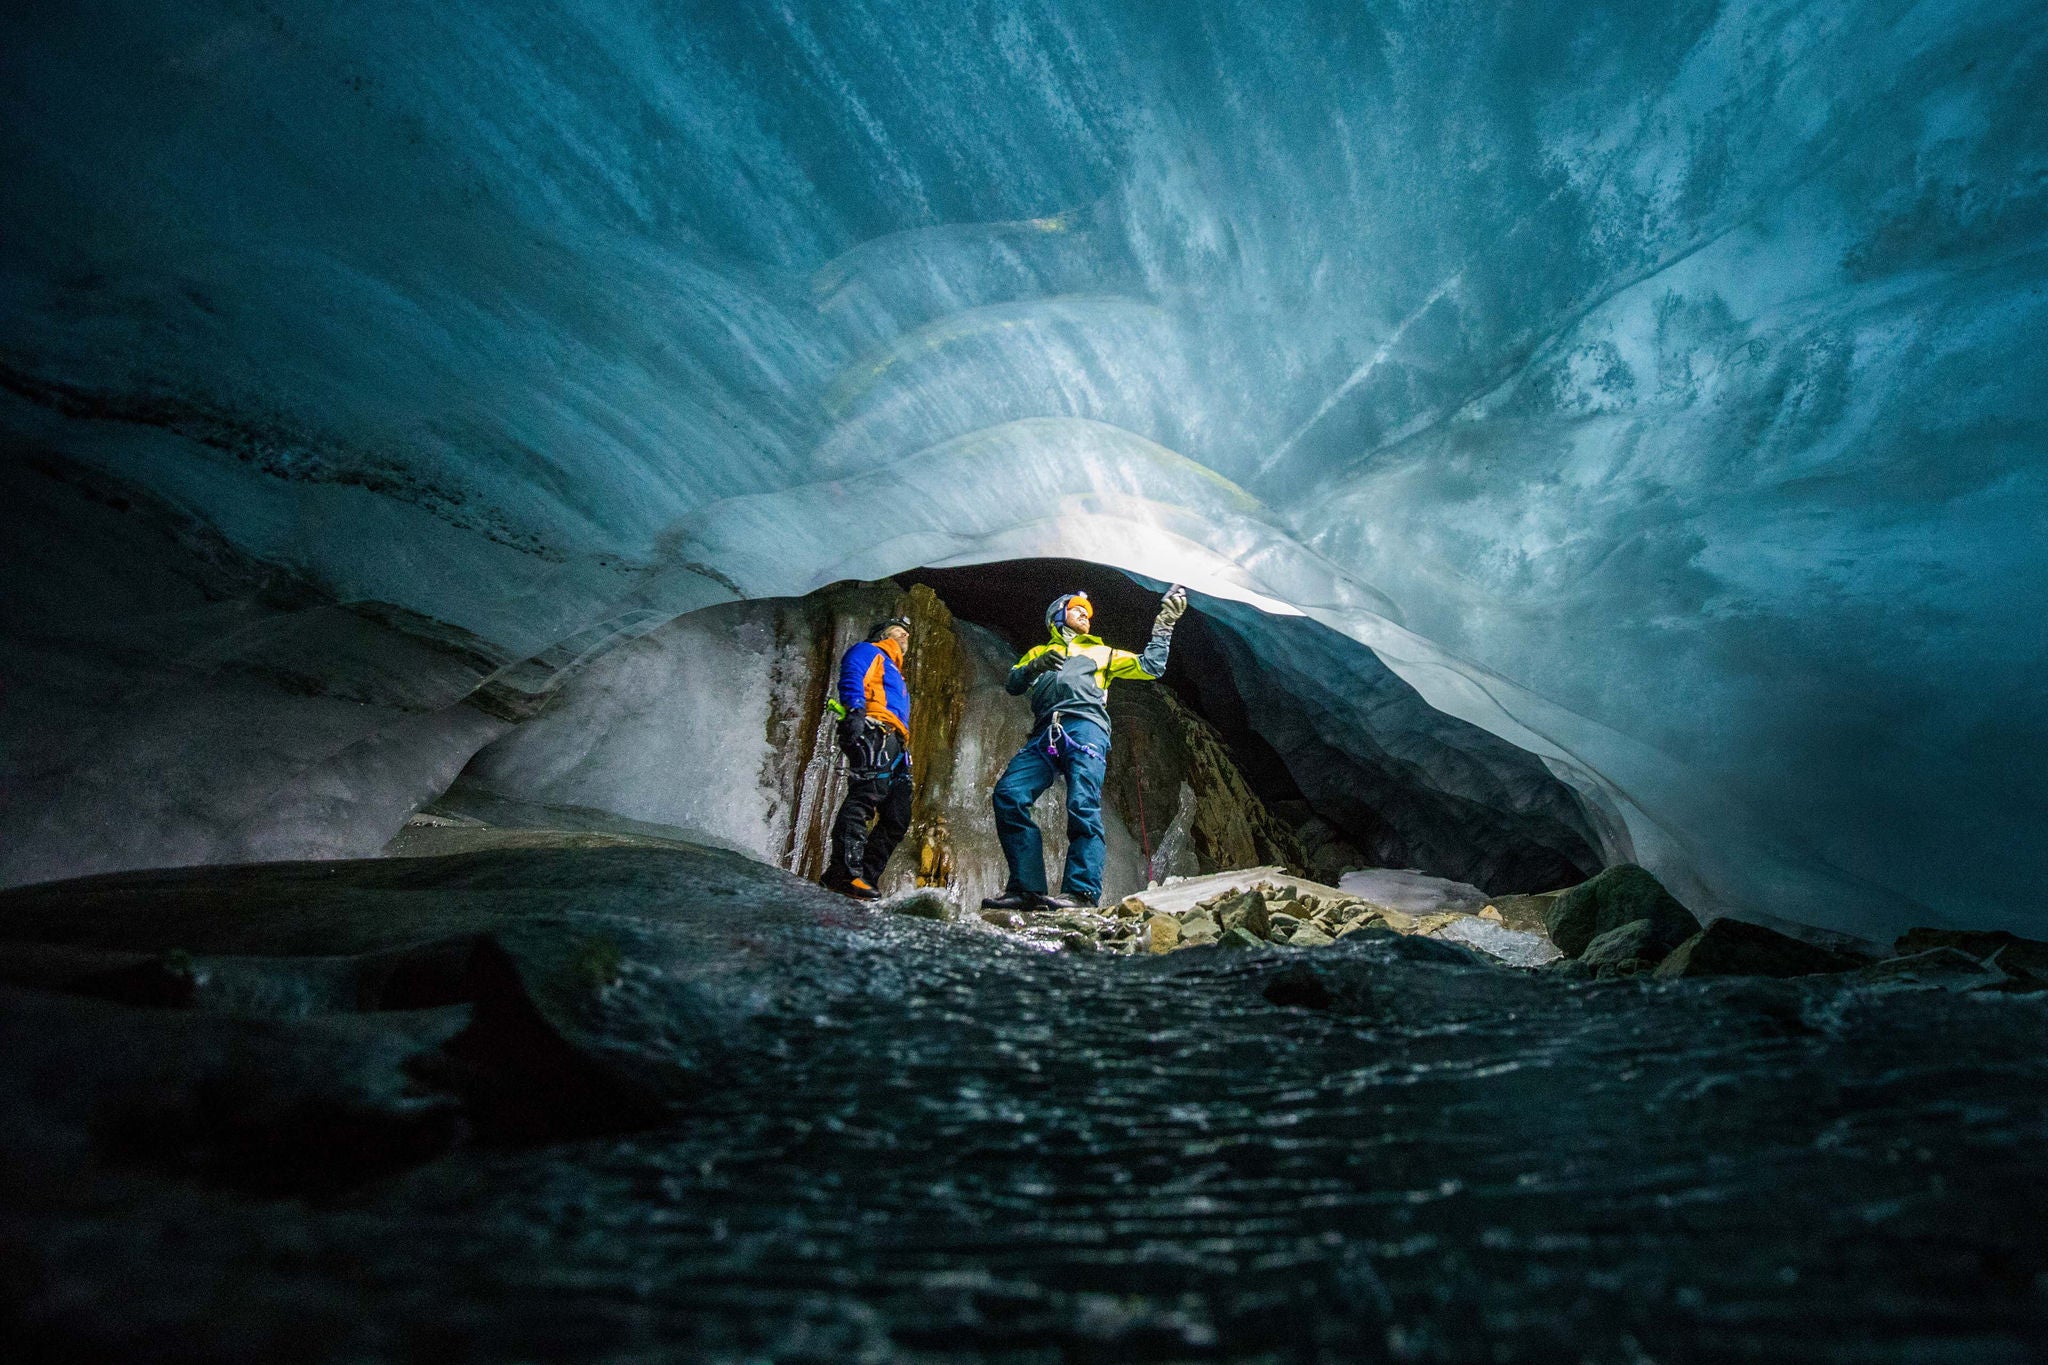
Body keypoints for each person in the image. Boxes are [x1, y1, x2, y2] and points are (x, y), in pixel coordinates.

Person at [982, 585, 1189, 911]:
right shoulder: (1038, 652)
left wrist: (1164, 625)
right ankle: (1027, 889)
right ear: (1058, 617)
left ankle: (1080, 893)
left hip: (1085, 727)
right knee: (1009, 794)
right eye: (1077, 610)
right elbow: (1013, 684)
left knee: (1083, 804)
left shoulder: (1102, 652)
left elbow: (1150, 666)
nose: (1085, 616)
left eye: (1087, 613)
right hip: (1044, 732)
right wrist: (1034, 667)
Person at [822, 615, 914, 900]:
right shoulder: (869, 651)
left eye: (907, 635)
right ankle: (843, 872)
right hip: (873, 728)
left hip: (896, 741)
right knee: (866, 795)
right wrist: (855, 711)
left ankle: (864, 877)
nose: (904, 636)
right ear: (882, 633)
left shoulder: (897, 675)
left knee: (898, 816)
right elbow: (852, 674)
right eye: (898, 631)